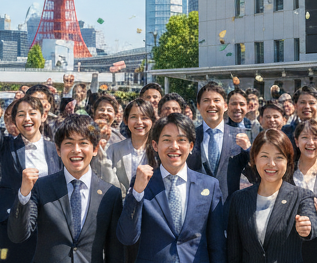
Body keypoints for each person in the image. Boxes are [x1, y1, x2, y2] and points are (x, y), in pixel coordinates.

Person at [0, 67, 62, 263]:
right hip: (9, 223)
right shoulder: (6, 146)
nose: (27, 119)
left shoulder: (56, 150)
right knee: (3, 260)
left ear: (43, 116)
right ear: (14, 120)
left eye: (32, 113)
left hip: (47, 224)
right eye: (21, 114)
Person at [11, 114, 122, 263]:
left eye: (83, 143)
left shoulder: (110, 194)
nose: (76, 150)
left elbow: (114, 251)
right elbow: (18, 235)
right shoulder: (41, 187)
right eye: (69, 143)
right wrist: (23, 194)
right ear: (58, 149)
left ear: (95, 149)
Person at [117, 112, 226, 263]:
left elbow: (217, 243)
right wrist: (136, 193)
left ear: (191, 146)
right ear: (155, 145)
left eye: (181, 140)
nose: (174, 147)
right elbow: (127, 237)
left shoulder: (209, 185)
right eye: (167, 140)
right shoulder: (143, 183)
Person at [226, 130, 317, 263]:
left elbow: (313, 222)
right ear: (254, 158)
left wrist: (308, 227)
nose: (271, 163)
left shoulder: (301, 196)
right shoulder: (239, 199)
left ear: (288, 161)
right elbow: (233, 252)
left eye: (279, 157)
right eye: (264, 156)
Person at [188, 82, 250, 202]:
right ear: (198, 106)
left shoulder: (241, 135)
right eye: (206, 100)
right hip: (197, 207)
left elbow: (253, 172)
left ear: (225, 106)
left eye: (216, 100)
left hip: (229, 208)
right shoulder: (190, 137)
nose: (212, 105)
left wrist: (248, 150)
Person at [94, 98, 157, 195]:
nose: (139, 122)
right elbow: (107, 178)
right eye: (134, 117)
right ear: (126, 120)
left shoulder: (158, 150)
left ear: (152, 121)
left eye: (144, 117)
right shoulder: (114, 149)